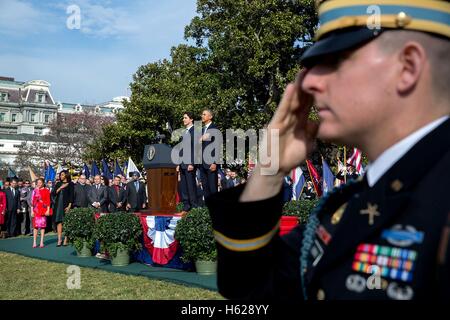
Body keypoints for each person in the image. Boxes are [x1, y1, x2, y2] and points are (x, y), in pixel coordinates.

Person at [206, 0, 450, 300]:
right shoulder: (348, 203)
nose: (308, 81)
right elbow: (251, 288)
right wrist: (269, 171)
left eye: (334, 61)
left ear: (407, 67)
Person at [178, 112, 199, 212]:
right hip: (182, 164)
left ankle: (194, 206)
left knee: (191, 186)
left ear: (191, 119)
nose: (183, 119)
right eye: (183, 118)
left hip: (190, 163)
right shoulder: (184, 132)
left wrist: (192, 163)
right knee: (184, 186)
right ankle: (186, 206)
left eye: (185, 118)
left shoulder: (195, 131)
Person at [199, 109, 220, 198]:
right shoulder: (201, 130)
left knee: (213, 188)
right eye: (202, 114)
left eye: (204, 114)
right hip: (202, 163)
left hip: (211, 163)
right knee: (205, 188)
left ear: (210, 117)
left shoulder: (214, 129)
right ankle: (207, 210)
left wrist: (214, 162)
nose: (202, 116)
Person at [52, 170, 74, 246]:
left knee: (66, 222)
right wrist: (61, 187)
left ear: (66, 175)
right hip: (58, 205)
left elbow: (71, 196)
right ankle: (59, 239)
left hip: (66, 205)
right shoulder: (58, 184)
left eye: (62, 175)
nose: (60, 176)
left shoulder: (71, 184)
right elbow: (53, 193)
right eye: (60, 175)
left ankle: (66, 239)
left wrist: (69, 206)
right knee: (59, 222)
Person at [31, 178, 51, 248]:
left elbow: (48, 201)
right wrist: (32, 211)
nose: (39, 184)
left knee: (42, 227)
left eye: (40, 182)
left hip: (43, 210)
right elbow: (32, 202)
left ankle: (42, 242)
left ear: (43, 183)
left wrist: (48, 210)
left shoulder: (46, 191)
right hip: (36, 210)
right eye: (38, 182)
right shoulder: (35, 191)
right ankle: (34, 242)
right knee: (35, 227)